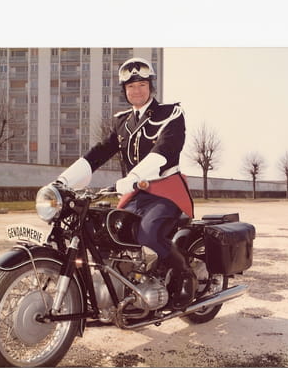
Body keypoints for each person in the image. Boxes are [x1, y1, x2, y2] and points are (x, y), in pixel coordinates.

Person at [52, 57, 197, 309]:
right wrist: (62, 181)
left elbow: (165, 150)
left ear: (151, 86)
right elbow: (98, 154)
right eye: (130, 86)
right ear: (124, 90)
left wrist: (133, 178)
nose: (136, 90)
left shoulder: (170, 114)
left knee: (148, 233)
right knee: (105, 232)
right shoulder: (122, 122)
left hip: (166, 192)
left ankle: (184, 274)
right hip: (134, 194)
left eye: (142, 84)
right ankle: (122, 285)